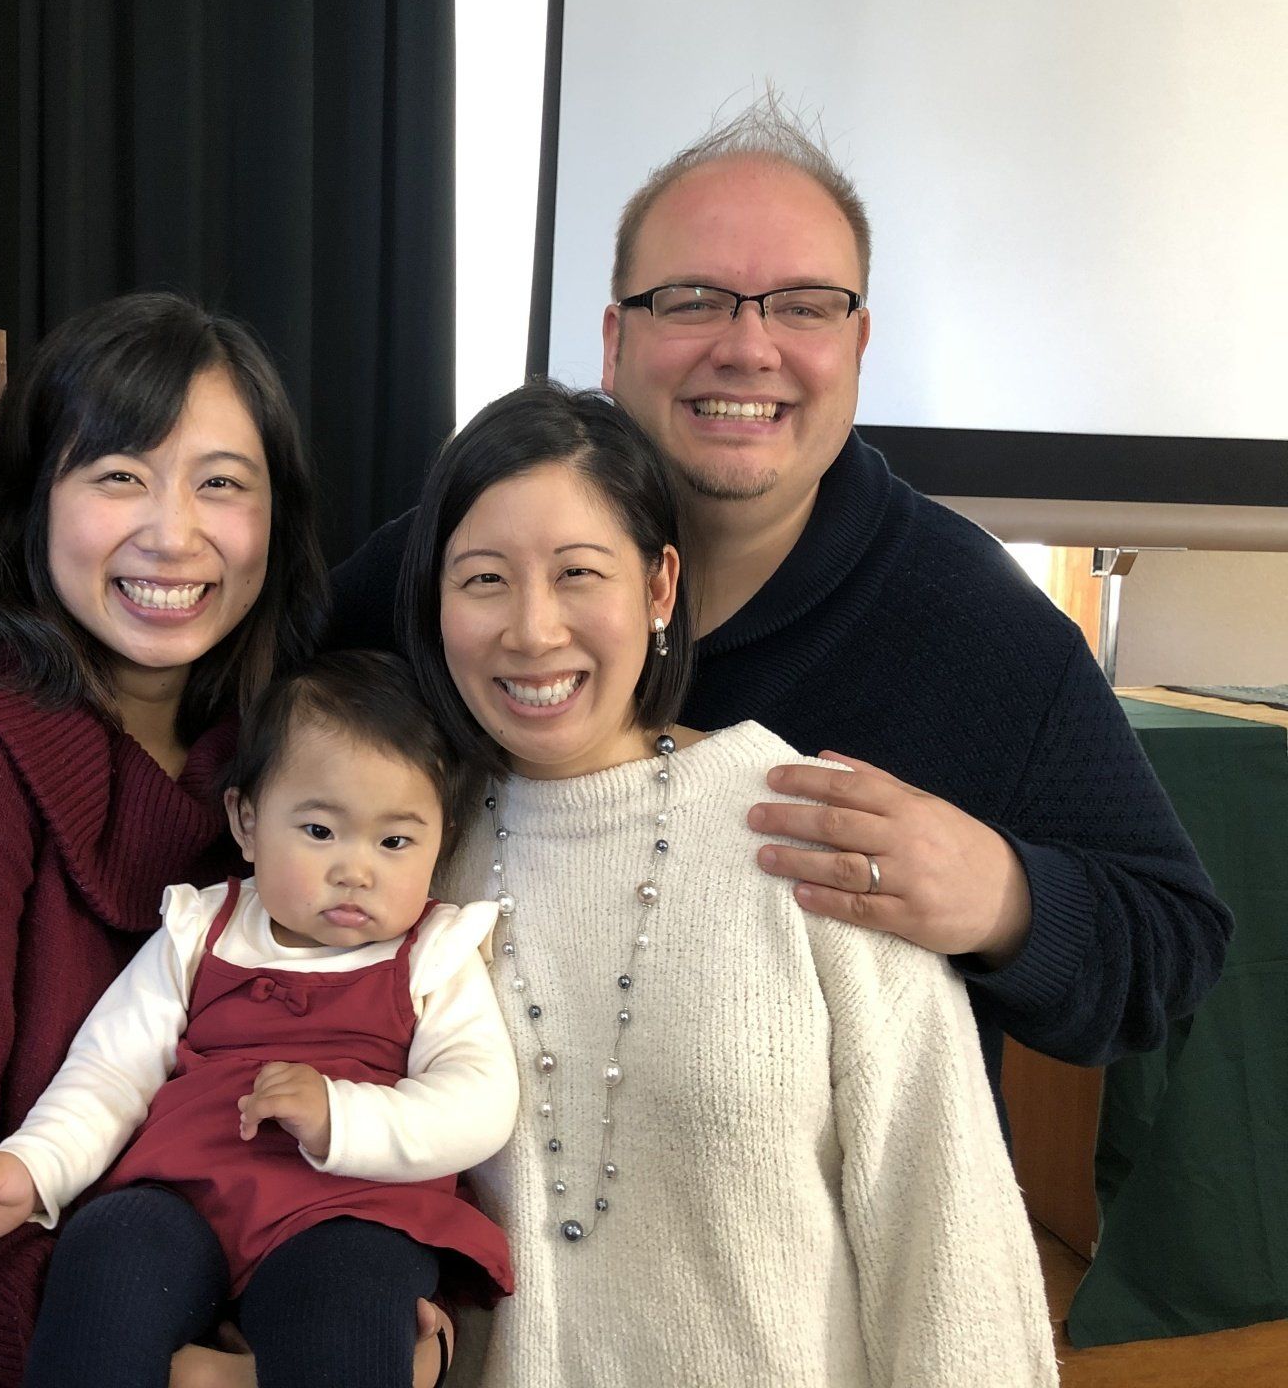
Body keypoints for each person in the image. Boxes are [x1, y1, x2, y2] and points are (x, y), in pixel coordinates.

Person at [333, 98, 1228, 1092]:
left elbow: (1174, 951)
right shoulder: (441, 575)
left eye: (803, 305)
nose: (749, 347)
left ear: (856, 345)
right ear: (613, 341)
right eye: (693, 298)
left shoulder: (981, 627)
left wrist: (1004, 898)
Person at [399, 382, 1057, 1387]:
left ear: (659, 587)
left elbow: (945, 1233)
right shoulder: (404, 856)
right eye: (483, 579)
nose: (532, 630)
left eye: (579, 574)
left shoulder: (814, 824)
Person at [0, 291, 333, 1385]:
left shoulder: (294, 783)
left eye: (222, 483)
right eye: (118, 476)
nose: (174, 532)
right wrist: (167, 1366)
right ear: (33, 507)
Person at [0, 651, 517, 1387]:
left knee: (346, 1310)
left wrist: (341, 1115)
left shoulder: (433, 953)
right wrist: (33, 1167)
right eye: (319, 831)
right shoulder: (200, 929)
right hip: (183, 1200)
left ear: (442, 838)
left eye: (395, 841)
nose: (355, 870)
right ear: (245, 821)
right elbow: (110, 1071)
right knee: (108, 1252)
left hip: (351, 1210)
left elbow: (480, 1101)